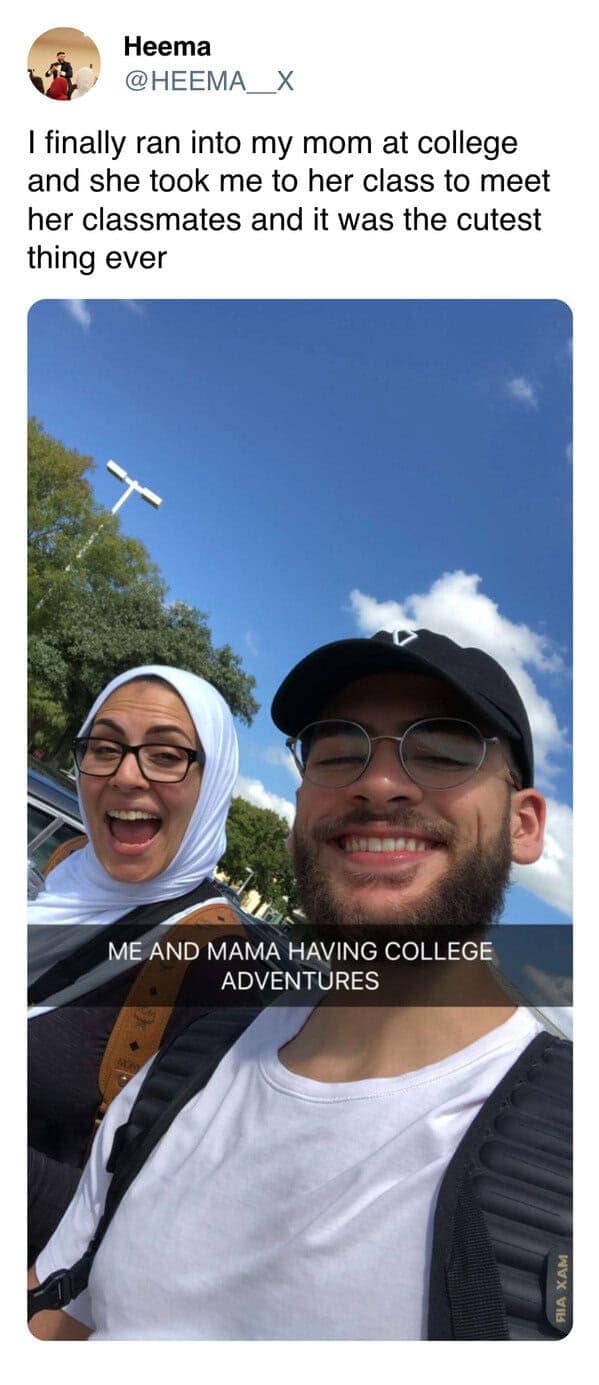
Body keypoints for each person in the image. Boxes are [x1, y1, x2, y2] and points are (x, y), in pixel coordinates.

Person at [29, 630, 571, 1340]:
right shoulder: (186, 1074)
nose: (377, 782)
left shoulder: (564, 1159)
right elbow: (64, 1313)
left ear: (523, 824)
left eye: (442, 751)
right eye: (338, 752)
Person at [28, 664, 240, 1263]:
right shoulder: (69, 868)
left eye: (167, 756)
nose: (126, 775)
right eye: (105, 747)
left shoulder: (218, 970)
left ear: (213, 780)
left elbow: (147, 1223)